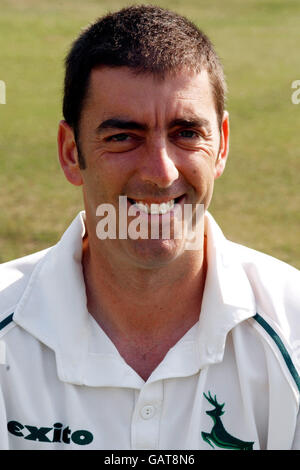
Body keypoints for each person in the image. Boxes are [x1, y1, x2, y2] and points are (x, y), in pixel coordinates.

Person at [0, 5, 299, 451]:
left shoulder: (293, 328)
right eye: (123, 137)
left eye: (186, 133)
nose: (160, 172)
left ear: (221, 147)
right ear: (69, 151)